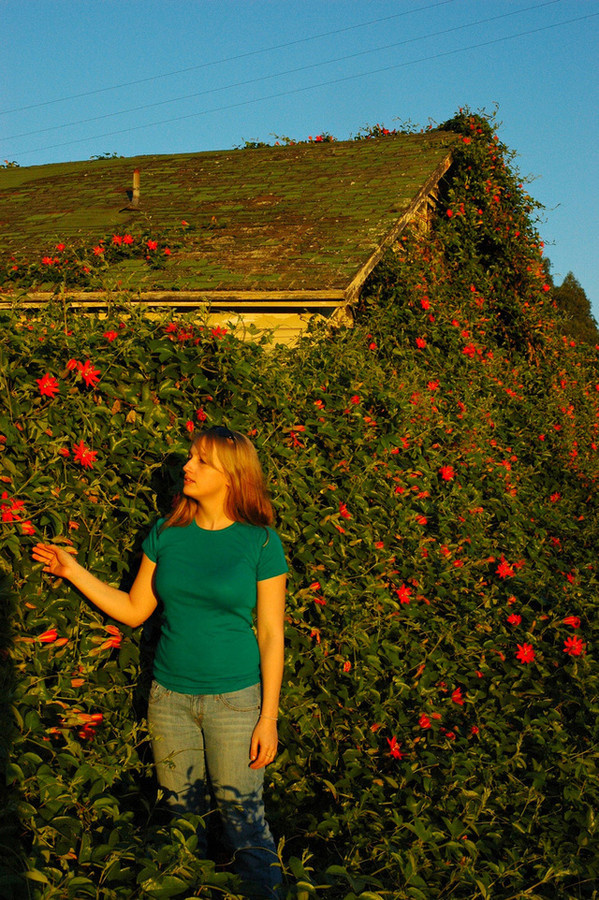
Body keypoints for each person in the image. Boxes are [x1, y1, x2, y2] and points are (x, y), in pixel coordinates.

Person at [32, 426, 287, 898]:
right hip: (169, 700)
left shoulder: (261, 541)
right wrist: (72, 570)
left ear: (231, 476)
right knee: (181, 824)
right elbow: (134, 610)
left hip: (236, 704)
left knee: (244, 826)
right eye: (191, 458)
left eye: (201, 461)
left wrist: (267, 717)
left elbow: (272, 635)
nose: (187, 467)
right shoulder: (167, 533)